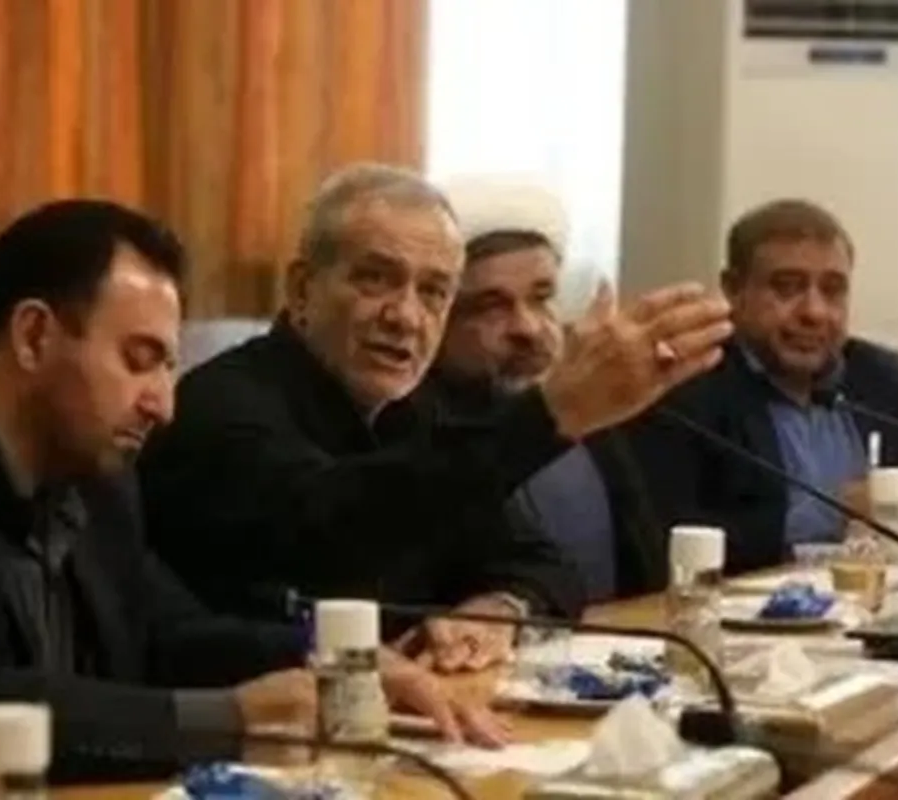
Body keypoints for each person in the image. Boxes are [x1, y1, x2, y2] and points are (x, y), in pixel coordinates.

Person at [0, 200, 501, 796]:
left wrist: (341, 659)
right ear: (34, 335)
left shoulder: (96, 475)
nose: (164, 404)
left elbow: (167, 634)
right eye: (140, 360)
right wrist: (228, 718)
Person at [138, 164, 732, 674]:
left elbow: (543, 563)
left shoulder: (415, 412)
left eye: (433, 292)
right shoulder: (221, 404)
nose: (405, 316)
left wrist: (499, 608)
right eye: (376, 279)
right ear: (301, 290)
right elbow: (340, 527)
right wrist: (553, 411)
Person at [639, 198, 898, 574]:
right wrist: (832, 513)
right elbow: (664, 538)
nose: (814, 312)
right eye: (787, 288)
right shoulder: (687, 388)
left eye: (833, 290)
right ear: (733, 290)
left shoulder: (885, 378)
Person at [432, 178, 667, 601]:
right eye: (491, 306)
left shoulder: (588, 415)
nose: (527, 328)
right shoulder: (416, 435)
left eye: (541, 298)